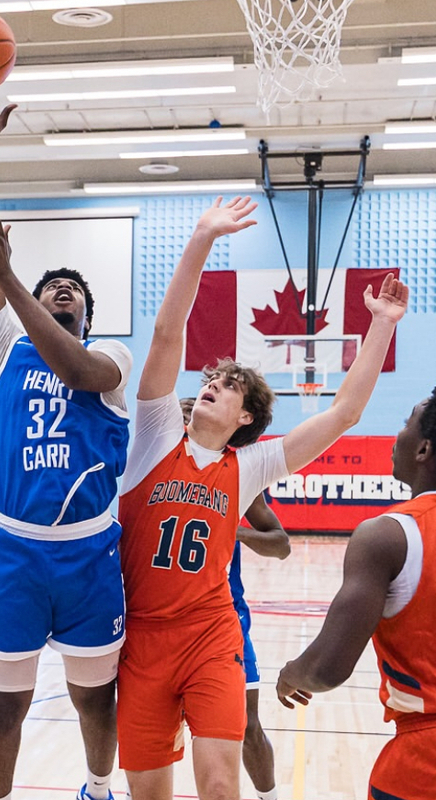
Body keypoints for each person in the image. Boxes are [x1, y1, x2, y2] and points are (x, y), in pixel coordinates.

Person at [117, 196, 408, 800]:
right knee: (148, 793)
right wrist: (200, 236)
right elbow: (169, 331)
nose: (209, 388)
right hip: (141, 636)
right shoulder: (152, 435)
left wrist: (380, 324)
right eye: (208, 382)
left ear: (245, 414)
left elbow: (345, 412)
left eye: (224, 387)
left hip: (210, 633)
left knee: (221, 785)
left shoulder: (248, 466)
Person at [0, 87, 132, 800]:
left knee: (94, 698)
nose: (60, 290)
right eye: (51, 284)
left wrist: (14, 279)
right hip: (13, 552)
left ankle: (96, 785)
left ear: (87, 313)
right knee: (4, 706)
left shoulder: (110, 358)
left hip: (89, 553)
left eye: (70, 291)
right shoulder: (3, 350)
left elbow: (75, 367)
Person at [276, 390, 436, 799]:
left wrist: (292, 674)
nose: (395, 435)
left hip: (423, 762)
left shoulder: (389, 535)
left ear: (423, 449)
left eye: (405, 422)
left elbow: (327, 669)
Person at [181, 397, 290, 800]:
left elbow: (281, 544)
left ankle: (268, 797)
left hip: (223, 620)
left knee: (247, 724)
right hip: (160, 619)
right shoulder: (152, 467)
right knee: (157, 728)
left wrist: (235, 529)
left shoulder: (237, 472)